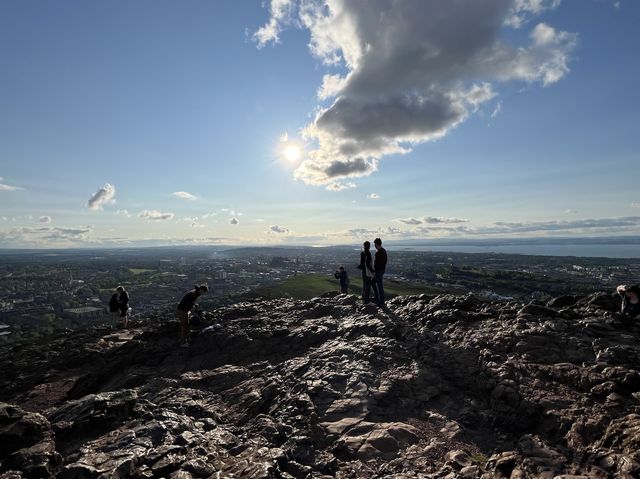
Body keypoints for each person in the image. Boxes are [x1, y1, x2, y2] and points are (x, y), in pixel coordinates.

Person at [373, 238, 388, 307]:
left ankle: (381, 301)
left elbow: (377, 263)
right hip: (381, 270)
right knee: (379, 286)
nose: (374, 246)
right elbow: (384, 262)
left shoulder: (378, 252)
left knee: (379, 286)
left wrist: (375, 270)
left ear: (376, 244)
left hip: (378, 271)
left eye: (375, 244)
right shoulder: (384, 251)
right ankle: (381, 300)